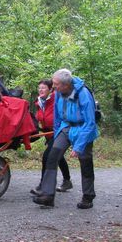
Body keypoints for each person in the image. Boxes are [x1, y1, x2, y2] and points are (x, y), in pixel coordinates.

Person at [32, 69, 99, 209]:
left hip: (83, 129)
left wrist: (79, 146)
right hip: (66, 127)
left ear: (66, 85)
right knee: (52, 156)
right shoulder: (58, 93)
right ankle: (47, 195)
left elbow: (90, 123)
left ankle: (88, 196)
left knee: (85, 161)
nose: (53, 86)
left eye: (56, 84)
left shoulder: (83, 94)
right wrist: (56, 133)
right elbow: (57, 115)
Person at [30, 79, 72, 196]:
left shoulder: (56, 99)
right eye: (39, 88)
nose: (40, 90)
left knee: (47, 157)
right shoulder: (39, 102)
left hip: (59, 132)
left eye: (43, 88)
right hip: (48, 134)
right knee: (58, 157)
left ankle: (43, 186)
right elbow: (41, 119)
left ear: (50, 89)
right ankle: (67, 181)